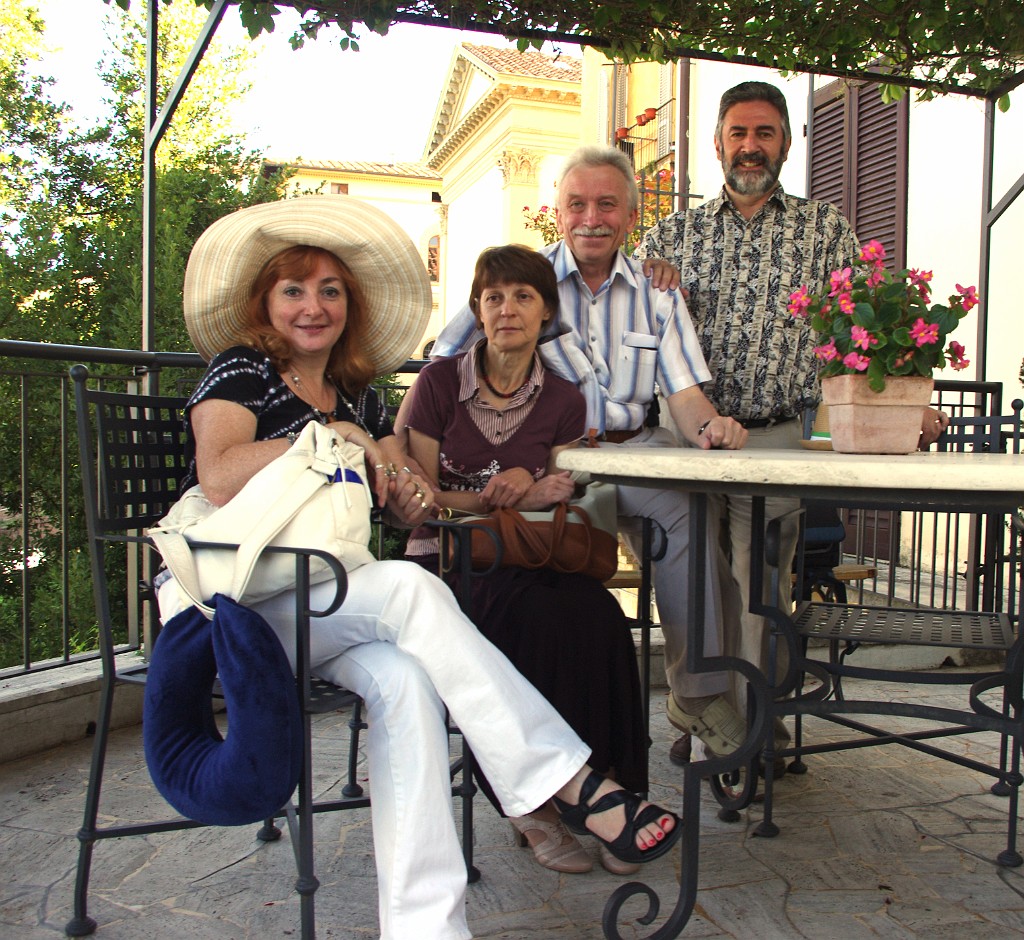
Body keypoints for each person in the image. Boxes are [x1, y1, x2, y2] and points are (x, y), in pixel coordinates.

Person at [157, 196, 681, 940]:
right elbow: (218, 475)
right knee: (409, 584)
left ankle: (426, 928)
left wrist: (402, 492)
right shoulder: (244, 370)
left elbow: (408, 506)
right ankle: (572, 782)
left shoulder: (357, 394)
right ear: (264, 301)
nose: (314, 306)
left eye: (331, 291)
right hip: (234, 596)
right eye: (295, 290)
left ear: (351, 305)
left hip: (320, 593)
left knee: (404, 681)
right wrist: (329, 434)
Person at [635, 80, 949, 767]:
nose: (751, 146)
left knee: (760, 588)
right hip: (692, 438)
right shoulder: (670, 236)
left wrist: (909, 396)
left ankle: (749, 738)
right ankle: (705, 714)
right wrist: (648, 277)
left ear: (785, 141)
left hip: (781, 435)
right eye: (739, 133)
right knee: (690, 582)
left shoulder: (825, 228)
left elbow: (870, 324)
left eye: (765, 132)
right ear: (717, 143)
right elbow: (637, 327)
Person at [411, 145, 753, 765]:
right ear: (559, 213)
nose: (591, 217)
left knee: (691, 517)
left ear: (630, 216)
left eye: (606, 205)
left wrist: (712, 427)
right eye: (577, 204)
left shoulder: (657, 290)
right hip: (547, 463)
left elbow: (684, 394)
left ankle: (697, 696)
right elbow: (446, 363)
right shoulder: (521, 282)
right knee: (546, 594)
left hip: (632, 453)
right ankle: (530, 726)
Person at [404, 244, 648, 877]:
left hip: (533, 553)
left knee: (599, 618)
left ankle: (615, 786)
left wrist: (541, 486)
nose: (507, 309)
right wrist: (493, 493)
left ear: (545, 313)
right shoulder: (436, 385)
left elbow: (563, 490)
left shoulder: (565, 399)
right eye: (493, 298)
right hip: (451, 557)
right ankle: (533, 806)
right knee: (529, 621)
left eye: (522, 296)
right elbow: (417, 496)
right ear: (477, 312)